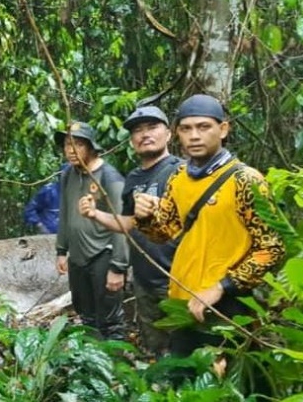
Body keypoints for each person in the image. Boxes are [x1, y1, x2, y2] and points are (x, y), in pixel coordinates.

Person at [133, 94, 285, 356]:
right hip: (184, 301)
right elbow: (163, 233)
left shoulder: (246, 180)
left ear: (223, 129)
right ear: (177, 133)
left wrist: (221, 287)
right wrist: (145, 216)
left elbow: (272, 248)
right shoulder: (179, 177)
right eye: (186, 128)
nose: (194, 136)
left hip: (228, 305)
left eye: (203, 127)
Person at [79, 106, 182, 356]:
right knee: (157, 349)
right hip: (145, 280)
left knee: (186, 351)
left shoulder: (181, 171)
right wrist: (96, 214)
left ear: (169, 134)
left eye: (152, 127)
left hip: (178, 279)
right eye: (138, 130)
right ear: (132, 140)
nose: (144, 134)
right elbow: (128, 224)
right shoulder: (134, 178)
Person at [54, 121, 128, 340]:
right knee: (85, 316)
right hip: (77, 257)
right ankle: (91, 363)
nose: (70, 150)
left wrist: (118, 266)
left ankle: (115, 367)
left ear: (91, 147)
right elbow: (66, 212)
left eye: (77, 144)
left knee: (110, 320)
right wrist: (61, 249)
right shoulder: (68, 175)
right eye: (67, 144)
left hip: (102, 254)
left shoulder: (109, 177)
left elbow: (122, 224)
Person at [23, 164, 68, 234]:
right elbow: (30, 210)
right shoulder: (48, 191)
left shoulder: (78, 192)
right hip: (48, 235)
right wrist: (40, 226)